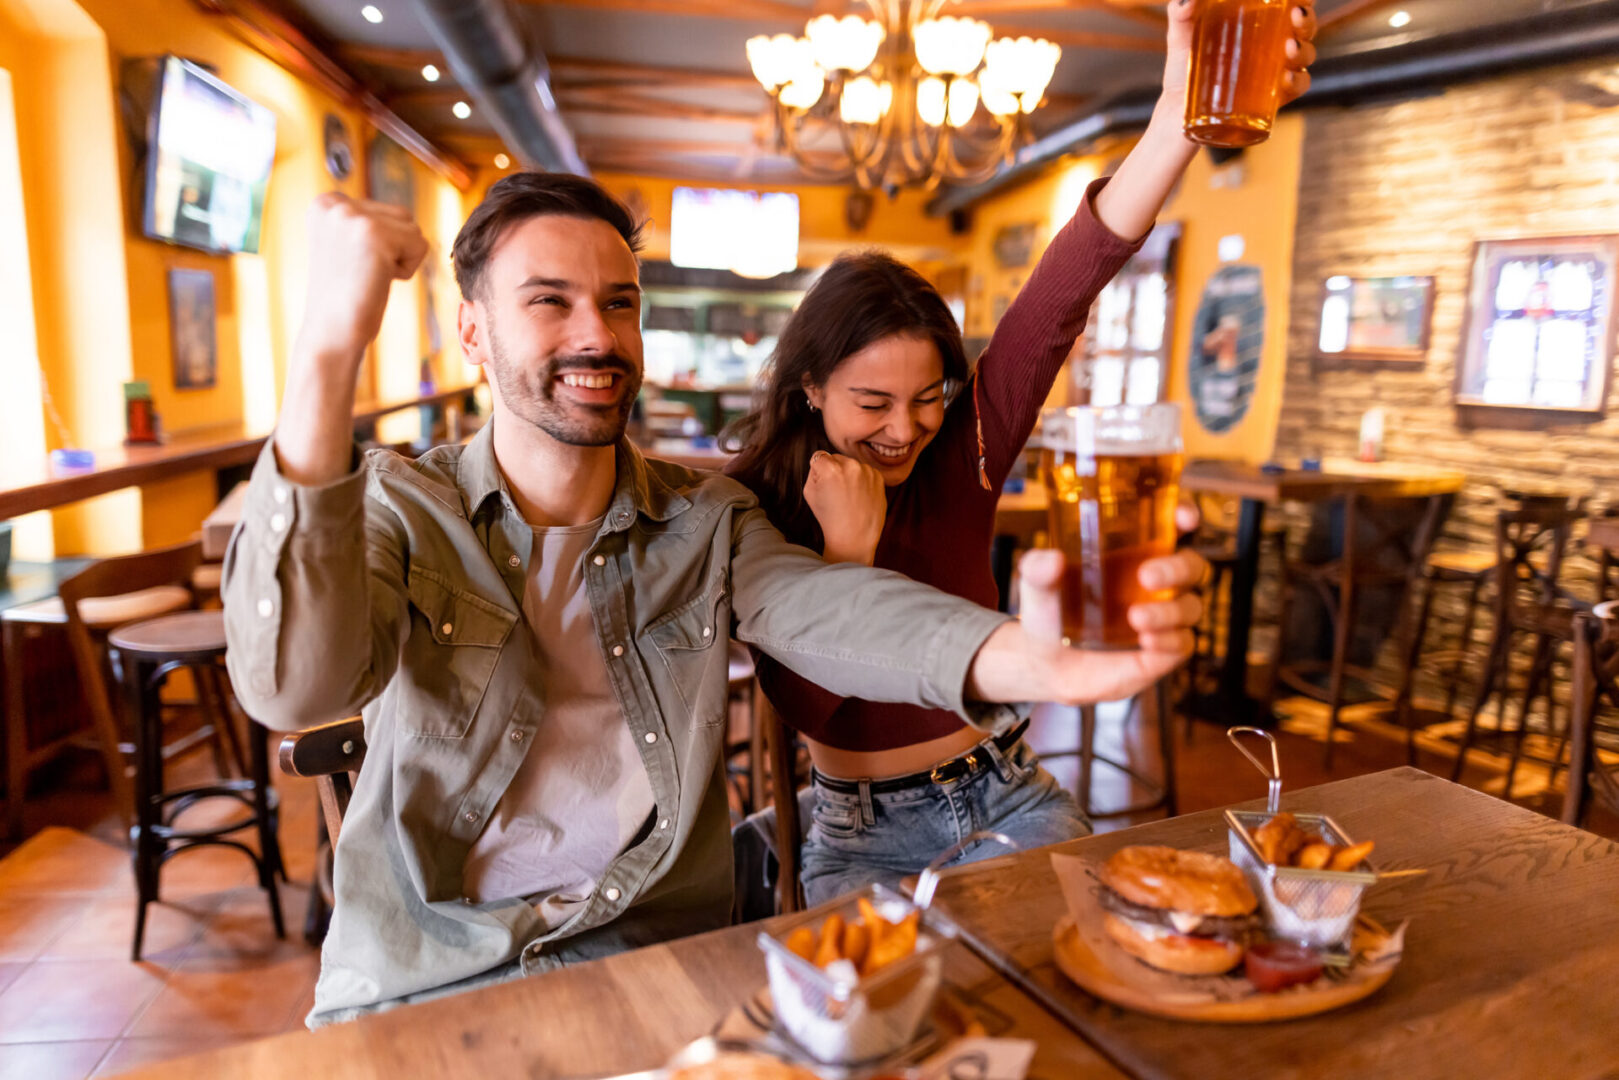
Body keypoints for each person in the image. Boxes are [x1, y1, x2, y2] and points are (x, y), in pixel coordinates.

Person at [222, 172, 1206, 1028]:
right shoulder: (401, 507)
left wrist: (1037, 657)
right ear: (472, 332)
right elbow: (296, 688)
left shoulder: (707, 519)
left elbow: (828, 613)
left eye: (617, 302)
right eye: (548, 302)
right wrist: (325, 354)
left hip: (642, 959)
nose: (594, 335)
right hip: (428, 985)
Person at [724, 0, 1317, 904]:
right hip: (859, 831)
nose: (903, 428)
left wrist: (1174, 117)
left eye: (929, 399)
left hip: (1005, 791)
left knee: (1093, 980)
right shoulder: (754, 504)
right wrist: (845, 556)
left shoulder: (965, 451)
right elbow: (810, 710)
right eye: (871, 402)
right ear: (809, 387)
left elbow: (1059, 295)